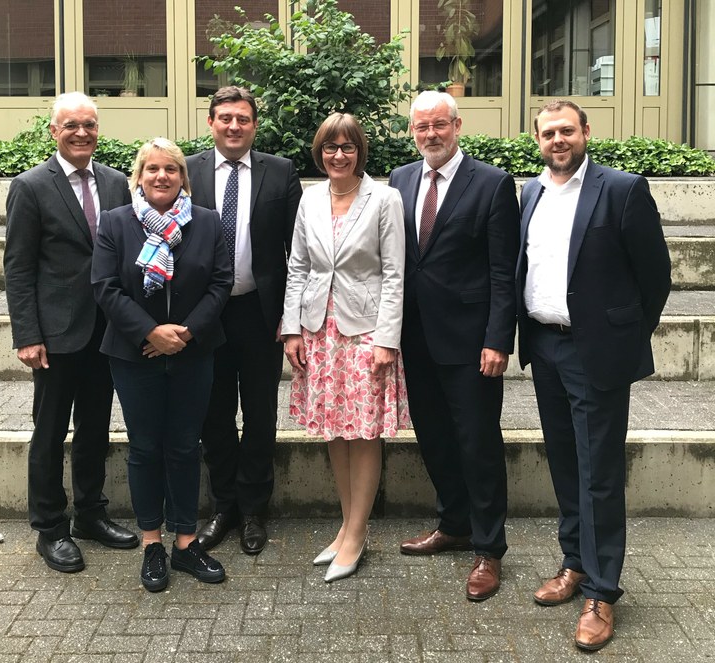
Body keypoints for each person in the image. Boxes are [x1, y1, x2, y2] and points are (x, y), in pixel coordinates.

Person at [518, 100, 671, 650]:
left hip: (594, 354)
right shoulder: (530, 192)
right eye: (548, 133)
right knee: (564, 462)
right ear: (536, 139)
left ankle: (603, 592)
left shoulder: (622, 189)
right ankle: (575, 563)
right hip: (544, 344)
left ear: (586, 132)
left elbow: (655, 276)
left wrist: (620, 338)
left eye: (566, 131)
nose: (557, 140)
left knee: (599, 472)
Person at [388, 91, 519, 601]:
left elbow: (502, 272)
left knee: (478, 444)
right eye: (421, 128)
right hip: (415, 338)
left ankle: (489, 548)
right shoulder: (399, 180)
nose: (430, 135)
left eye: (439, 126)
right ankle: (453, 523)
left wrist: (497, 340)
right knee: (435, 438)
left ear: (457, 125)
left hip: (471, 344)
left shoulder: (491, 183)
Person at [4, 91, 137, 573]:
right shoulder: (30, 186)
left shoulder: (116, 182)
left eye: (90, 124)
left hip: (106, 332)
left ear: (98, 130)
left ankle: (90, 514)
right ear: (53, 131)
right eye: (71, 125)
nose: (82, 133)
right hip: (55, 334)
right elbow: (18, 268)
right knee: (50, 431)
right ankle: (50, 527)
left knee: (96, 429)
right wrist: (27, 334)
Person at [92, 138, 233, 592]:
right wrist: (151, 333)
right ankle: (153, 542)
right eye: (152, 168)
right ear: (139, 176)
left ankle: (186, 542)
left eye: (171, 169)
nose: (161, 176)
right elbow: (106, 286)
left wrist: (185, 333)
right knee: (145, 448)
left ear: (183, 177)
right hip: (134, 355)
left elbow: (220, 282)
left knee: (185, 446)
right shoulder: (116, 222)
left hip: (195, 351)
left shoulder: (208, 223)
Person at [282, 112, 408, 582]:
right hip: (318, 331)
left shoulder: (384, 199)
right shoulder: (310, 199)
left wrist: (386, 339)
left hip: (364, 333)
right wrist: (291, 328)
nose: (338, 155)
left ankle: (357, 534)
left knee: (363, 432)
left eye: (347, 147)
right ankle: (346, 525)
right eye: (330, 148)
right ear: (320, 152)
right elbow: (297, 267)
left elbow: (395, 273)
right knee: (334, 430)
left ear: (360, 152)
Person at [186, 86, 302, 554]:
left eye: (243, 119)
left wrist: (291, 318)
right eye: (225, 118)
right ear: (211, 122)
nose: (234, 126)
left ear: (255, 125)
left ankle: (254, 509)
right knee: (213, 414)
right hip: (205, 315)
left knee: (259, 414)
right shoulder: (188, 170)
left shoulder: (280, 172)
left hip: (260, 313)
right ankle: (223, 507)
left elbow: (301, 251)